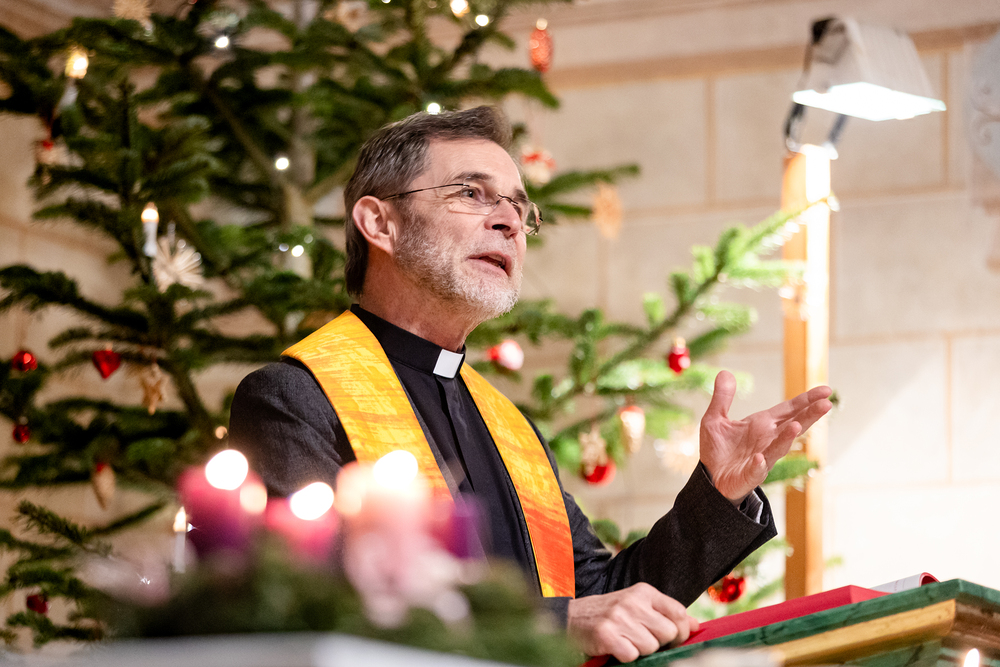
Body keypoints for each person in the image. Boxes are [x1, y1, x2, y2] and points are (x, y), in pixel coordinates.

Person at [229, 106, 832, 662]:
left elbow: (600, 597)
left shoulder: (508, 426)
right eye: (471, 193)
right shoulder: (295, 398)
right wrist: (555, 623)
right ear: (379, 223)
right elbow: (318, 605)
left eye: (520, 208)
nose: (509, 222)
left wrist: (718, 496)